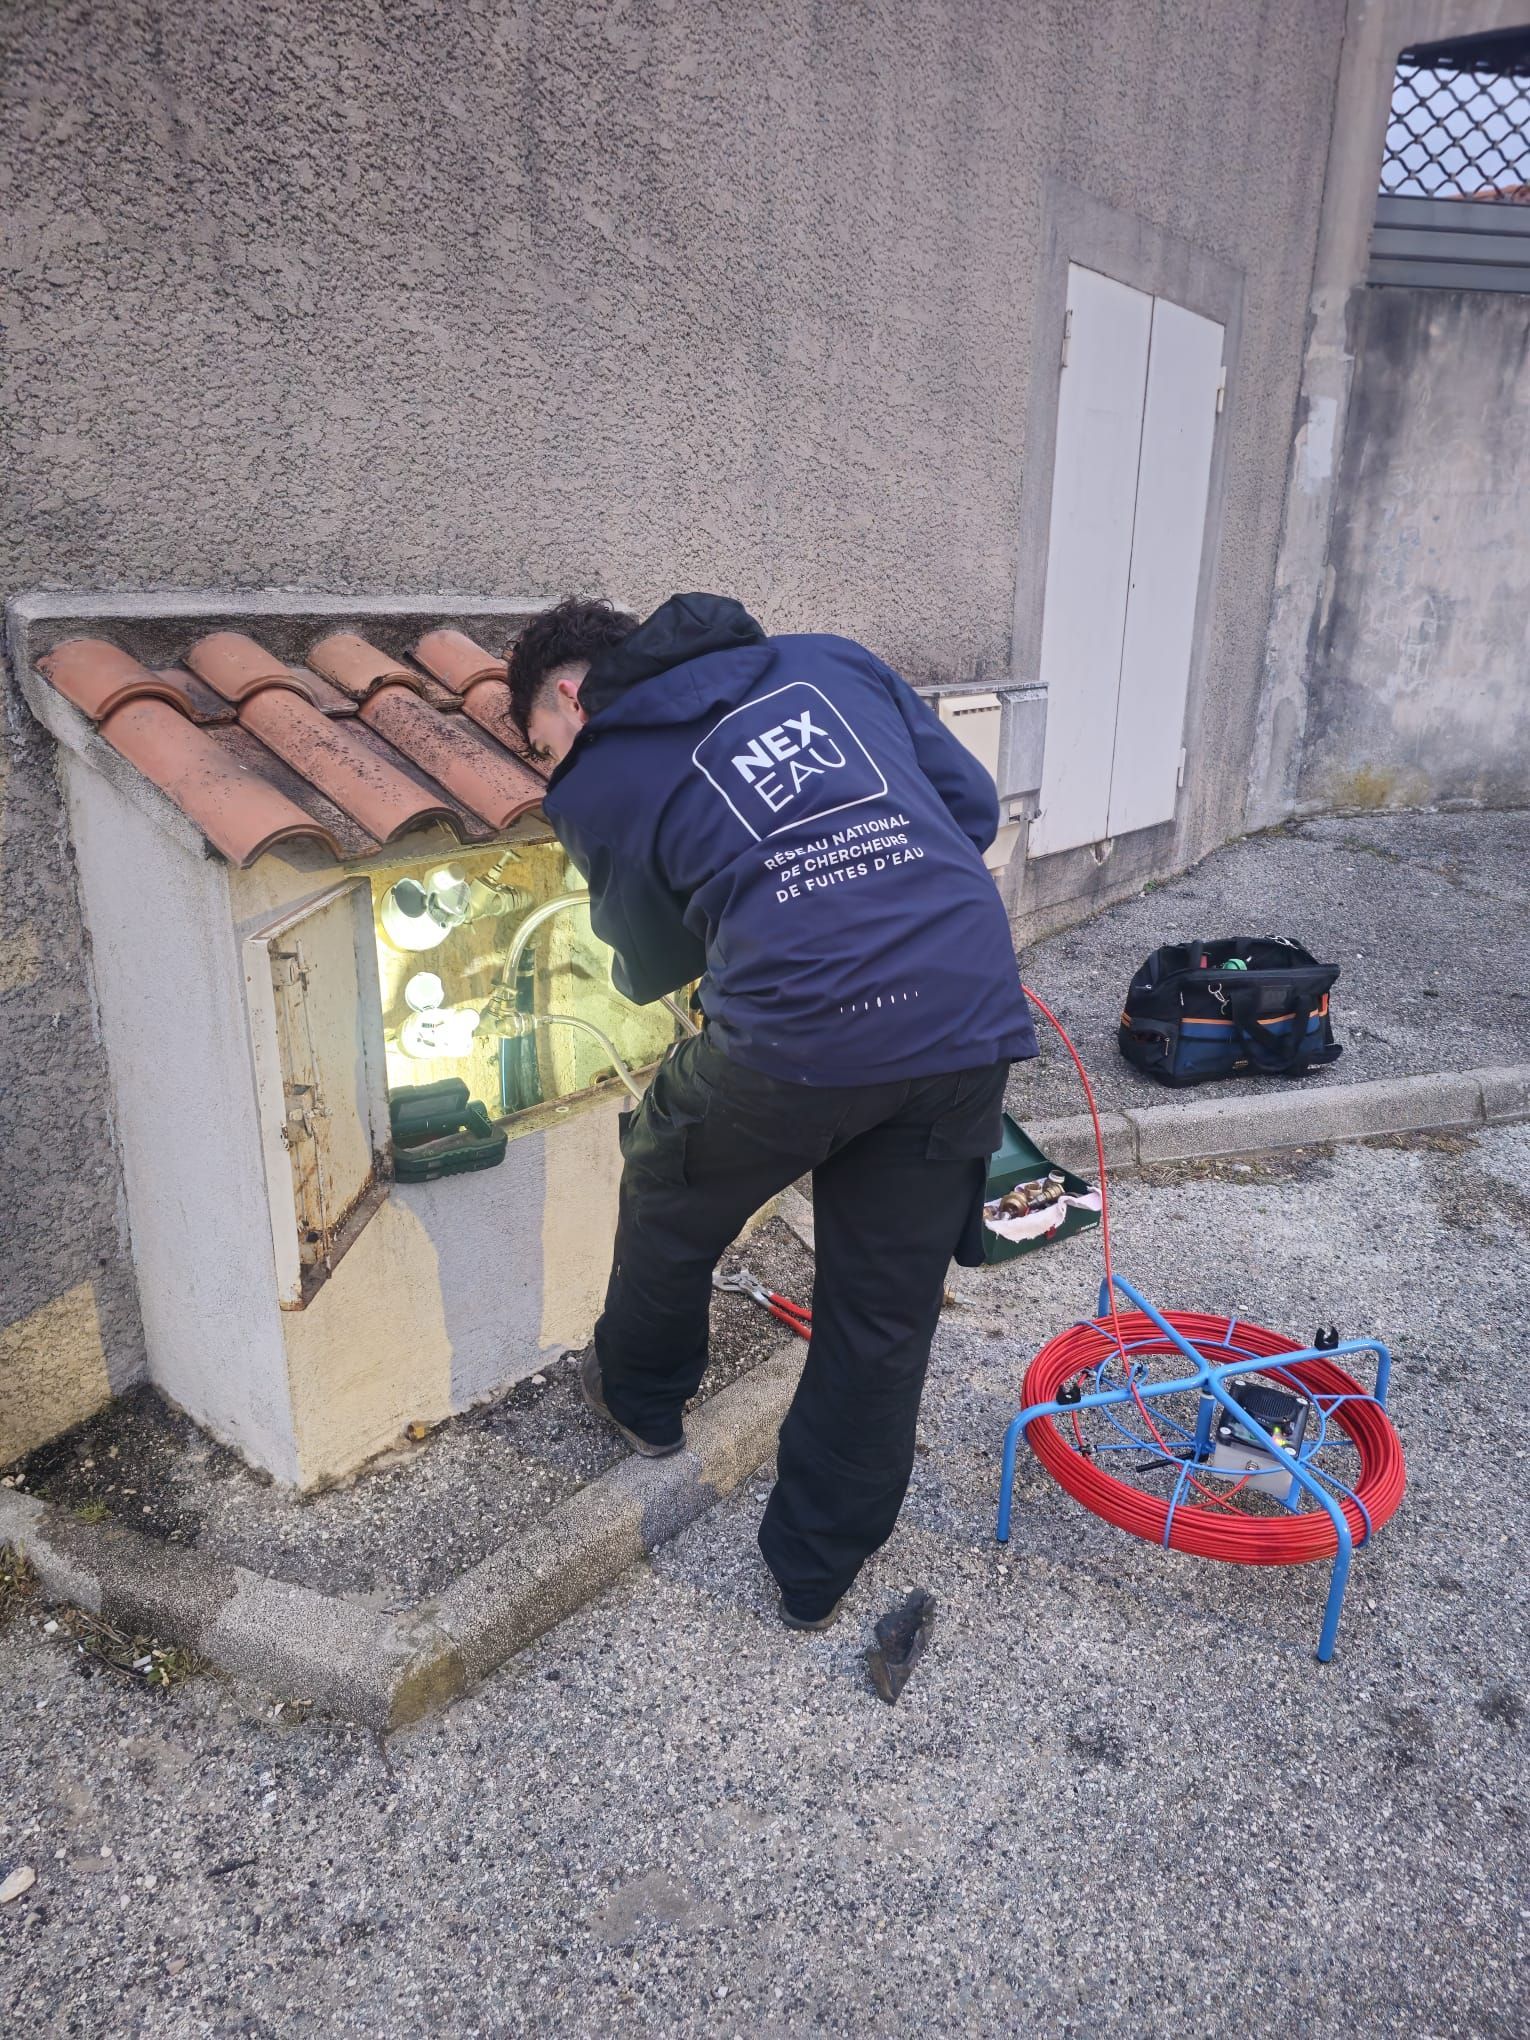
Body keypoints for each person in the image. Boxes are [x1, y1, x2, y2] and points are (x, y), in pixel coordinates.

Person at [508, 593, 1037, 1630]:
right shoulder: (833, 659)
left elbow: (655, 962)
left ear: (570, 695)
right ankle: (813, 1574)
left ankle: (644, 1398)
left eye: (540, 742)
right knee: (883, 1314)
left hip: (797, 1046)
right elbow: (969, 811)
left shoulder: (599, 776)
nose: (548, 764)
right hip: (968, 1015)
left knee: (668, 1174)